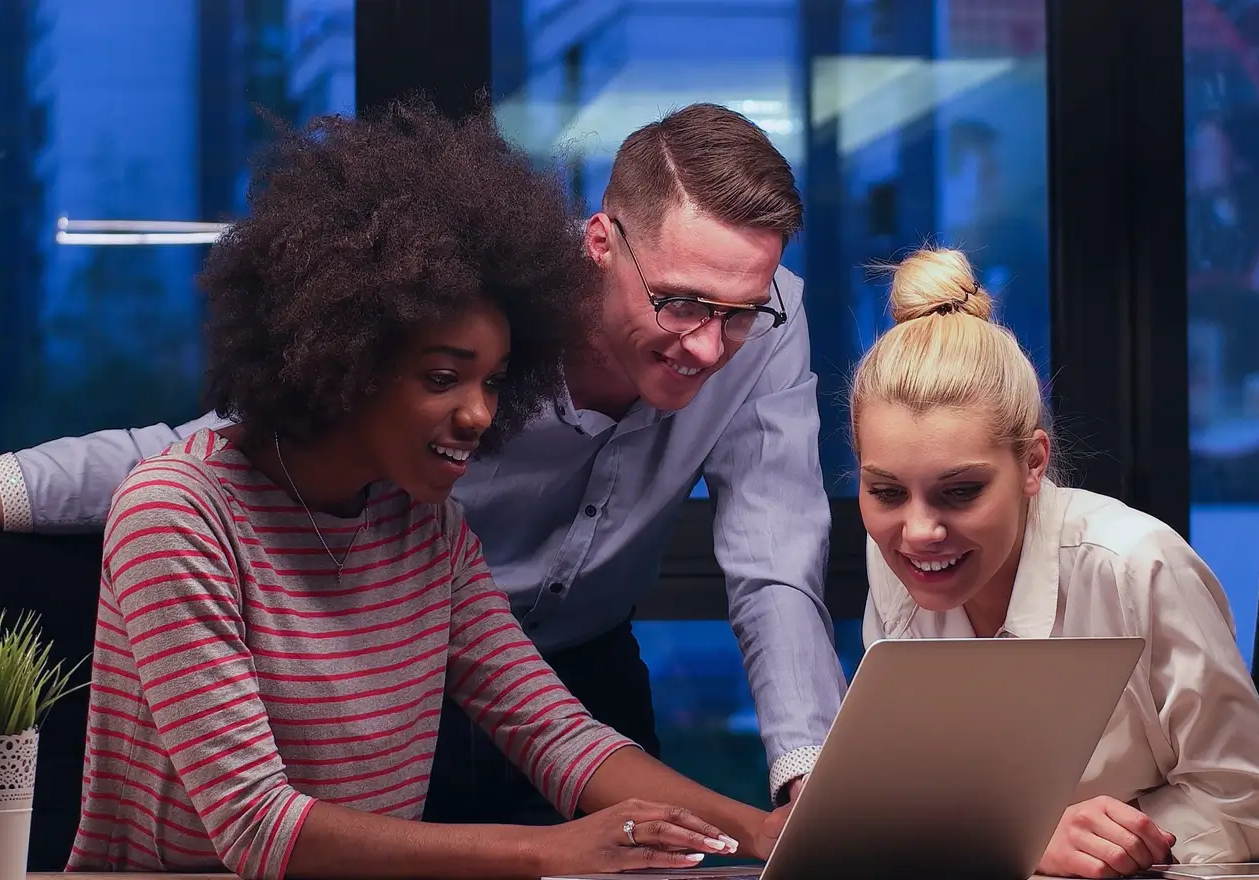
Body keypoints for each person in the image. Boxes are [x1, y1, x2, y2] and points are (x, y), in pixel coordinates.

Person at [0, 103, 845, 818]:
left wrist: (802, 795)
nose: (710, 346)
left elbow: (773, 558)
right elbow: (195, 452)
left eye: (740, 313)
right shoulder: (481, 320)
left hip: (568, 674)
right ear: (598, 244)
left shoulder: (764, 319)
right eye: (681, 304)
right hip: (394, 677)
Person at [68, 100, 778, 879]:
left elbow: (556, 734)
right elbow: (256, 826)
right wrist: (548, 850)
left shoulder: (424, 530)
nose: (479, 413)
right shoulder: (177, 515)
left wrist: (754, 831)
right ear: (346, 357)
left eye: (495, 380)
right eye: (443, 378)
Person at [838, 247, 1259, 878]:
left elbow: (1247, 803)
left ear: (1033, 463)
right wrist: (1017, 840)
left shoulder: (1135, 564)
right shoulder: (891, 559)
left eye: (960, 491)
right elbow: (909, 794)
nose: (918, 532)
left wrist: (1084, 845)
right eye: (886, 492)